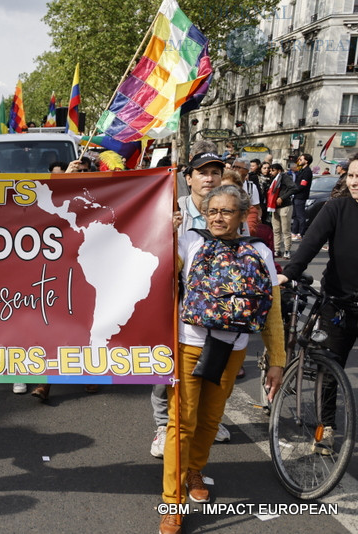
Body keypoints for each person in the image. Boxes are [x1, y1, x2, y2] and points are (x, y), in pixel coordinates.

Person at [159, 185, 285, 534]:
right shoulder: (190, 242)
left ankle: (195, 469)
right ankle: (172, 503)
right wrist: (164, 233)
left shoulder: (259, 251)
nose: (217, 217)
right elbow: (160, 269)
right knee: (180, 424)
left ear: (243, 216)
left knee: (211, 420)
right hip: (189, 345)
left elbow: (273, 311)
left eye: (227, 211)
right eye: (213, 211)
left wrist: (277, 359)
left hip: (234, 349)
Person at [151, 145, 232, 458]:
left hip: (217, 308)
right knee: (166, 365)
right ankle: (163, 424)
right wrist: (165, 232)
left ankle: (207, 418)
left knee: (214, 362)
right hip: (174, 300)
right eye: (202, 172)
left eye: (215, 172)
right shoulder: (172, 207)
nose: (209, 179)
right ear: (188, 177)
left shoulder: (231, 208)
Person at [280, 155, 358, 455]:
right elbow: (310, 245)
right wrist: (288, 274)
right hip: (337, 304)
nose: (354, 181)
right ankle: (326, 429)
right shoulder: (336, 208)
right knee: (329, 369)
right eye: (351, 175)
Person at [266, 163, 297, 259]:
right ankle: (277, 250)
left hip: (285, 206)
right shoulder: (273, 179)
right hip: (274, 207)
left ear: (279, 170)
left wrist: (282, 198)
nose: (271, 172)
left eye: (273, 170)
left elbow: (294, 188)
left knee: (285, 230)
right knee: (276, 230)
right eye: (270, 170)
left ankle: (287, 250)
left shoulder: (284, 177)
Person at [291, 153, 313, 240]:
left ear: (306, 161)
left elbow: (303, 185)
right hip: (296, 196)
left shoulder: (307, 171)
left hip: (301, 196)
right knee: (296, 215)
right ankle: (294, 232)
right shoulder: (301, 170)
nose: (299, 161)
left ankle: (301, 233)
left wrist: (293, 190)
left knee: (300, 216)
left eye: (301, 159)